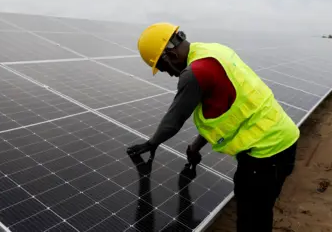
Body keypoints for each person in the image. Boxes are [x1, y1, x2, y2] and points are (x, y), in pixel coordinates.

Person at [126, 22, 300, 232]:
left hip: (265, 153)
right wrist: (195, 146)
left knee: (250, 219)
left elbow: (174, 121)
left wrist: (151, 143)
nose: (170, 74)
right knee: (261, 210)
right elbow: (227, 109)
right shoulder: (214, 51)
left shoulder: (193, 74)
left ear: (169, 57)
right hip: (282, 138)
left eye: (163, 69)